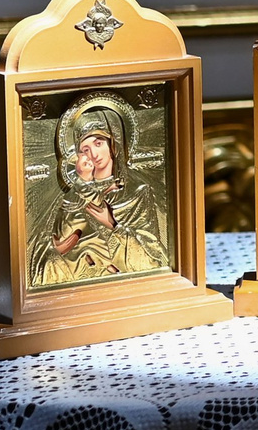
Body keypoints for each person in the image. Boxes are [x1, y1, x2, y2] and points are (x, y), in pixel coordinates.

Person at [29, 96, 172, 287]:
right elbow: (56, 245)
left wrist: (112, 224)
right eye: (85, 149)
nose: (94, 155)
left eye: (98, 143)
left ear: (113, 144)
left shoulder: (136, 193)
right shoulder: (73, 196)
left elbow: (153, 261)